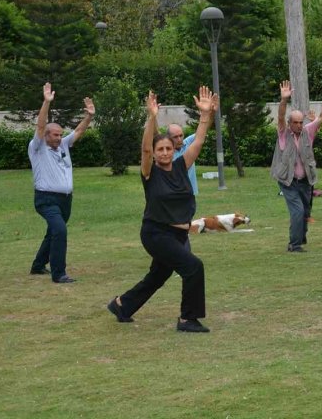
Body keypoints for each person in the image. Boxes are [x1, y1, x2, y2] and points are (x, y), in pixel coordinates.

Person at [107, 87, 216, 332]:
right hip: (157, 233)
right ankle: (188, 319)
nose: (165, 152)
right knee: (193, 267)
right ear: (155, 154)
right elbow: (145, 148)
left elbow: (198, 140)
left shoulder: (181, 166)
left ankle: (122, 305)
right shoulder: (149, 173)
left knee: (158, 276)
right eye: (160, 150)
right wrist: (152, 117)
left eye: (168, 148)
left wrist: (205, 116)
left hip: (179, 234)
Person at [28, 83, 95, 283]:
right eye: (55, 135)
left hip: (65, 200)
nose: (59, 138)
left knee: (53, 232)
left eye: (60, 135)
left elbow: (79, 131)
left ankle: (38, 265)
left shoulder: (63, 145)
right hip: (46, 199)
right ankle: (59, 274)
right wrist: (46, 102)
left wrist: (89, 116)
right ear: (45, 135)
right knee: (59, 230)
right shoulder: (37, 147)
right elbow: (40, 125)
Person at [271, 80, 322, 252]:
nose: (300, 125)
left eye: (301, 122)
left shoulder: (308, 132)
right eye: (296, 122)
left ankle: (300, 236)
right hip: (288, 181)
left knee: (305, 212)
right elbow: (280, 116)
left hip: (306, 180)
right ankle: (294, 245)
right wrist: (284, 100)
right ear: (290, 123)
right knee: (298, 211)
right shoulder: (283, 133)